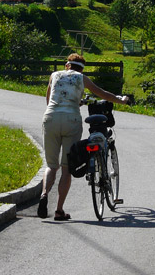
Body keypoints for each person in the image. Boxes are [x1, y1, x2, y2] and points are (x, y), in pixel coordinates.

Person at [38, 53, 129, 221]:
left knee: (51, 166)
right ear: (81, 68)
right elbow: (102, 94)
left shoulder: (54, 75)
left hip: (50, 117)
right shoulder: (82, 78)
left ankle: (44, 194)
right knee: (66, 167)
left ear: (67, 65)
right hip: (71, 120)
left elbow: (49, 97)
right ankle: (59, 210)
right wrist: (120, 100)